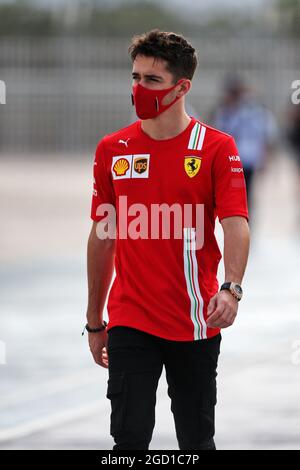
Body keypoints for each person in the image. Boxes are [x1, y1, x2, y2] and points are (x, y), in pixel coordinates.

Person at [84, 30, 250, 451]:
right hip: (129, 319)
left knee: (196, 441)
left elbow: (235, 223)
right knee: (128, 440)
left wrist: (231, 289)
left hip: (195, 320)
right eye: (135, 77)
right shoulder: (112, 149)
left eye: (151, 80)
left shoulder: (216, 148)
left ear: (182, 88)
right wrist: (94, 321)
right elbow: (103, 238)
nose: (139, 88)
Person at [213, 74, 278, 216]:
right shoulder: (231, 110)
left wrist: (266, 157)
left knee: (241, 191)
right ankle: (242, 217)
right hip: (242, 157)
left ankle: (243, 218)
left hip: (242, 157)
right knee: (240, 191)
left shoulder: (235, 111)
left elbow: (265, 134)